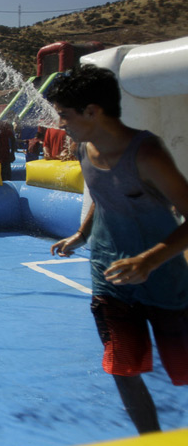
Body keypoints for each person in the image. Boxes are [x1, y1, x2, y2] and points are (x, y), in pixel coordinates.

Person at [48, 65, 188, 435]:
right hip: (109, 279)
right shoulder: (83, 148)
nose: (60, 123)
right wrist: (81, 235)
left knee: (183, 368)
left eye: (65, 115)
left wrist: (150, 260)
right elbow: (102, 194)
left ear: (93, 111)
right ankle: (151, 439)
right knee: (123, 368)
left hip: (165, 281)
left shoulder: (147, 154)